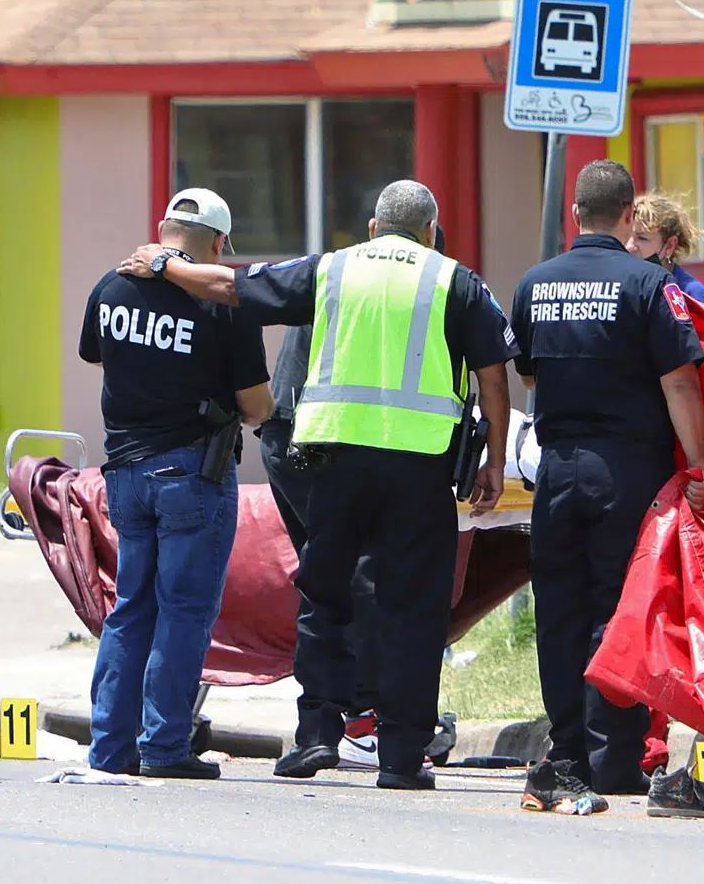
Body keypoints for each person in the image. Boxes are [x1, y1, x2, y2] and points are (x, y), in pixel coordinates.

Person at [119, 180, 516, 791]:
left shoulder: (334, 269)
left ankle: (316, 739)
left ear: (375, 228)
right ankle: (403, 757)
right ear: (430, 231)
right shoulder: (455, 280)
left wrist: (164, 262)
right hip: (420, 467)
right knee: (413, 607)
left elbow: (229, 286)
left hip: (336, 462)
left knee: (326, 596)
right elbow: (494, 378)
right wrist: (491, 459)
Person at [510, 160, 704, 811]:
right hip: (627, 468)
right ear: (629, 216)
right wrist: (701, 465)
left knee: (560, 613)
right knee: (620, 611)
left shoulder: (534, 283)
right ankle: (615, 758)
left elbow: (533, 377)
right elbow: (680, 379)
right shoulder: (651, 284)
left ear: (574, 215)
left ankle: (565, 752)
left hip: (557, 465)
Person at [81, 188, 273, 779]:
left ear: (163, 230)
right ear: (218, 243)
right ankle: (164, 747)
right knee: (183, 611)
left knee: (130, 609)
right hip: (190, 475)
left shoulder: (111, 287)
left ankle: (110, 750)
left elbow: (95, 355)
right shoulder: (224, 306)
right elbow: (257, 407)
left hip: (125, 476)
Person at [255, 224, 452, 771]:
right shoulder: (398, 281)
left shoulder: (337, 269)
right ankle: (364, 719)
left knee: (329, 583)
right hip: (322, 444)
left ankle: (324, 724)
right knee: (361, 582)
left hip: (294, 437)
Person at [628, 192, 704, 309]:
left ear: (670, 245)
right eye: (626, 237)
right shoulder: (621, 288)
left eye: (641, 238)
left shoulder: (693, 295)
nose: (629, 246)